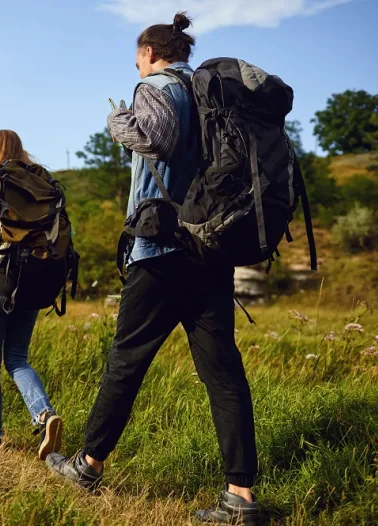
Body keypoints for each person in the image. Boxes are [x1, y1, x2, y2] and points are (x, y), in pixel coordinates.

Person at [45, 13, 261, 526]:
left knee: (126, 362)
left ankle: (88, 465)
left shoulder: (157, 86)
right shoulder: (213, 96)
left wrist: (118, 122)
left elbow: (158, 140)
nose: (136, 64)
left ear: (149, 53)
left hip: (163, 250)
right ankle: (241, 497)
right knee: (223, 371)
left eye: (137, 57)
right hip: (211, 250)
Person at [0, 129, 63, 460]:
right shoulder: (41, 180)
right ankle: (43, 413)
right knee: (18, 358)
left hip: (0, 280)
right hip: (36, 279)